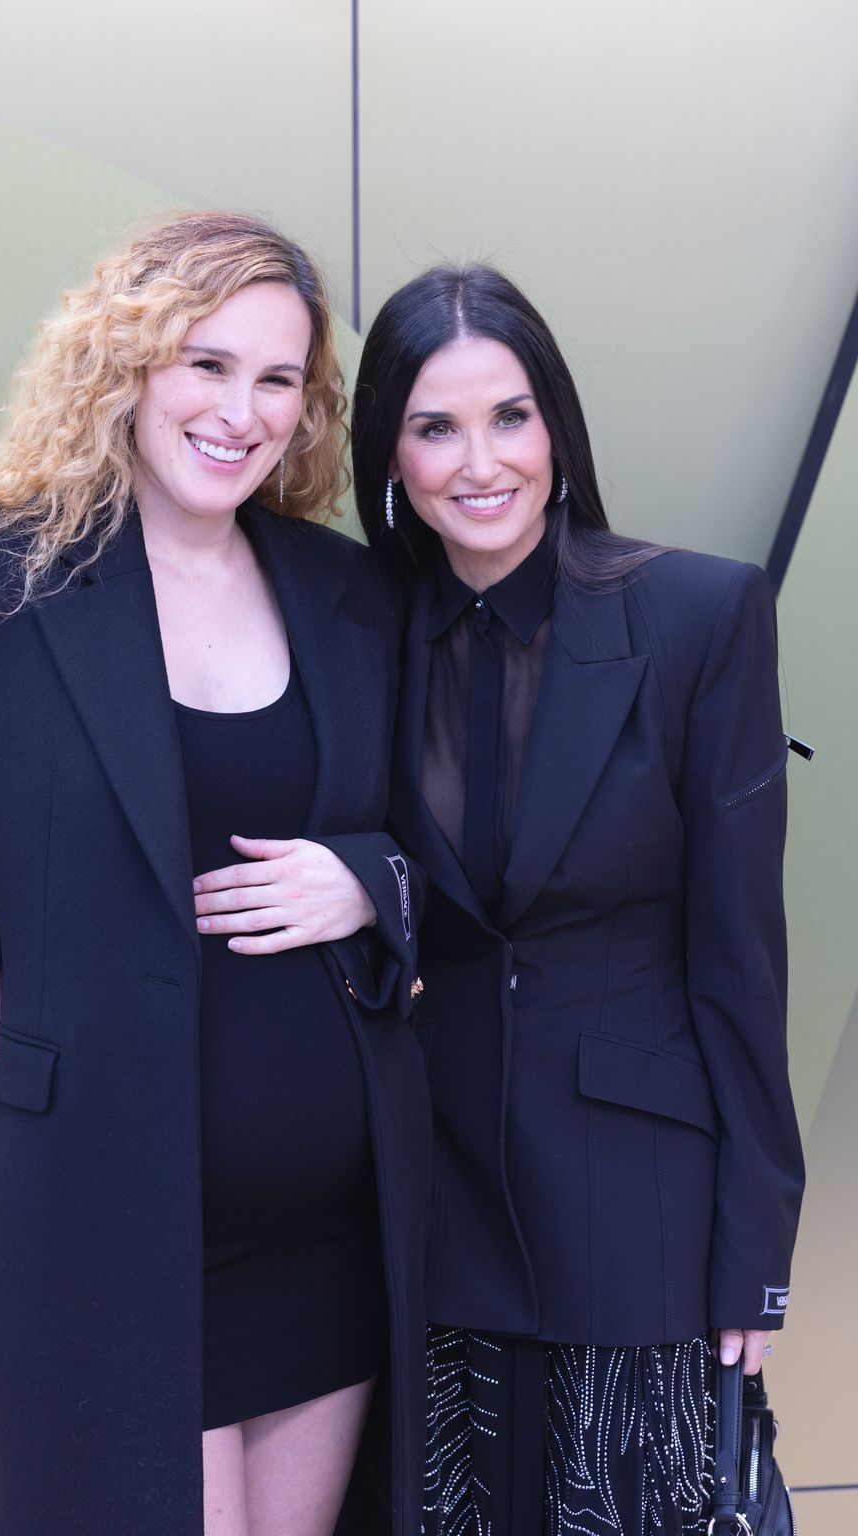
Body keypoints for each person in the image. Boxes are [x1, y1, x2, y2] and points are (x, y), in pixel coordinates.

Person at [0, 211, 432, 1536]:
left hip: (334, 1237)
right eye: (205, 365)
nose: (242, 412)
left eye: (278, 379)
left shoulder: (351, 595)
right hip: (111, 1220)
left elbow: (452, 839)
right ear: (125, 363)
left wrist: (369, 878)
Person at [347, 264, 805, 1535]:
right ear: (388, 449)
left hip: (641, 1212)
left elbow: (739, 960)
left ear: (558, 425)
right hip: (427, 1205)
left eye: (510, 416)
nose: (478, 461)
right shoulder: (350, 629)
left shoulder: (698, 613)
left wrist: (752, 1257)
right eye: (434, 426)